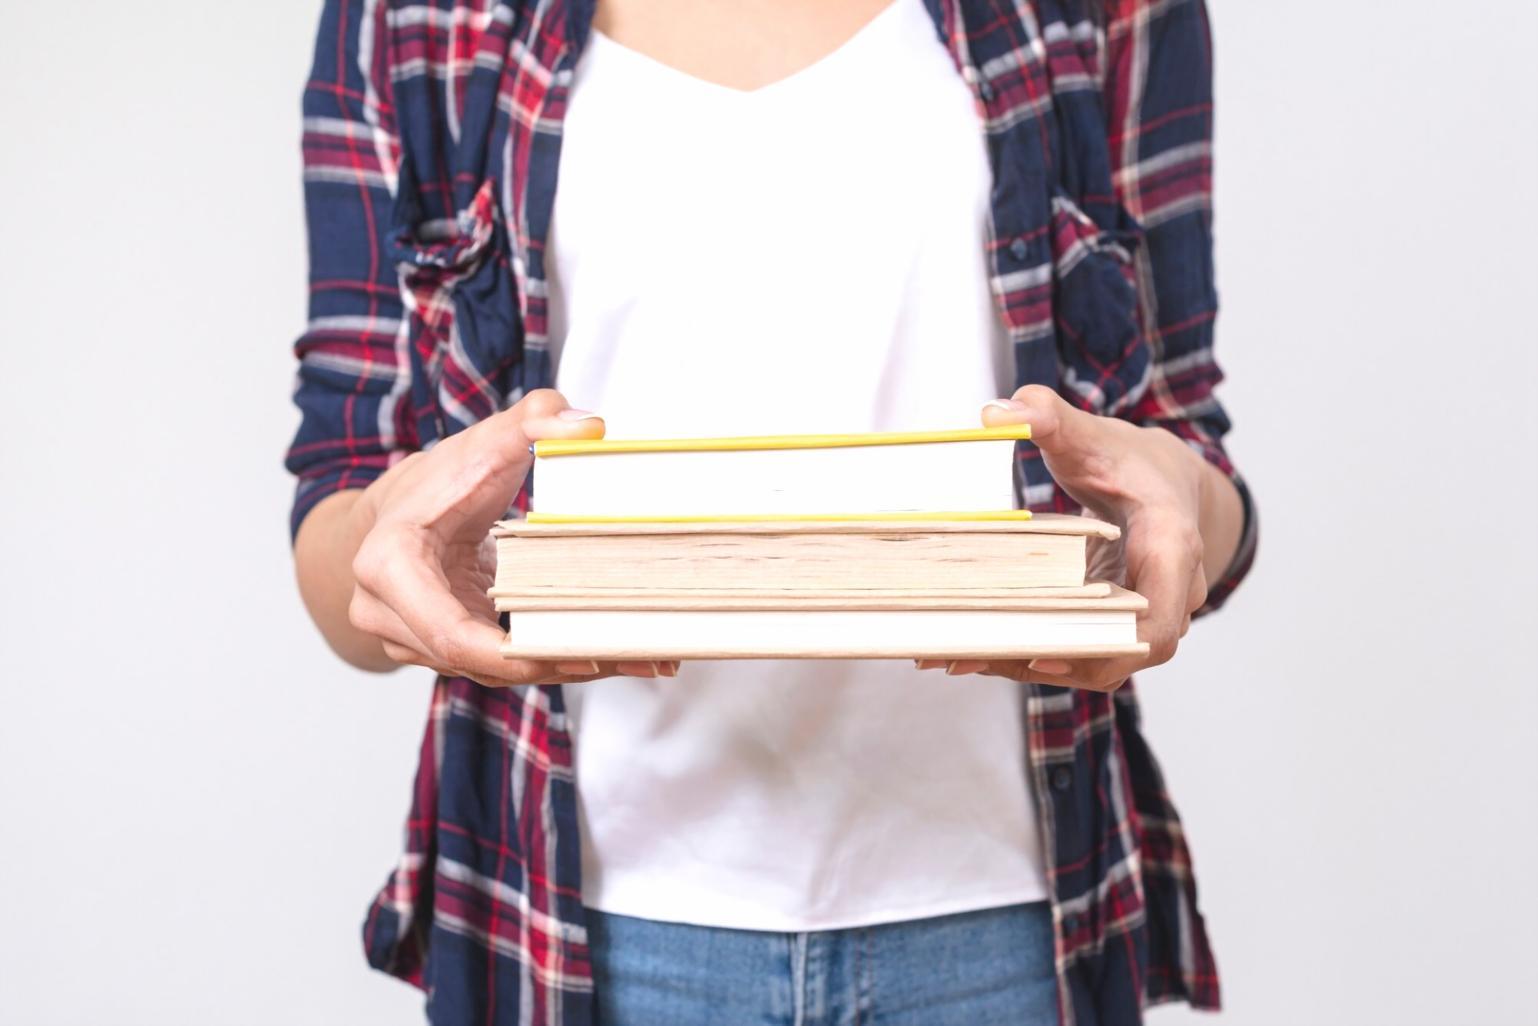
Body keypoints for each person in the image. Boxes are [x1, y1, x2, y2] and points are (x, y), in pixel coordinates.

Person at [287, 0, 1257, 1022]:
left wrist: (1177, 507)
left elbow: (1192, 471)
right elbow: (340, 511)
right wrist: (388, 553)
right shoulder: (415, 18)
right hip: (577, 922)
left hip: (1003, 918)